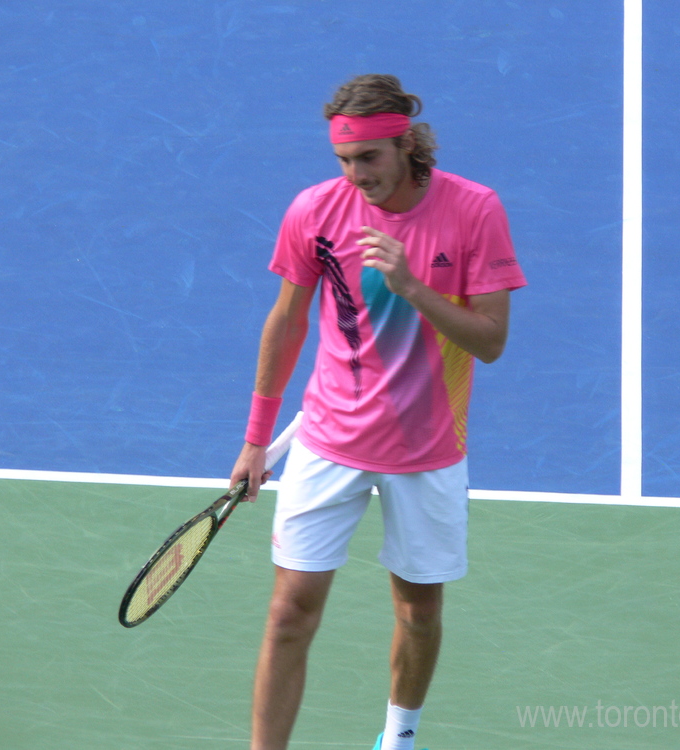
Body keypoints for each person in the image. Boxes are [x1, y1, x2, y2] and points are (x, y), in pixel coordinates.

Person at [230, 74, 526, 750]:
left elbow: (492, 342)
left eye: (369, 158)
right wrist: (254, 440)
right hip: (328, 440)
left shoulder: (474, 210)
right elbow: (287, 321)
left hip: (427, 450)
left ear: (405, 144)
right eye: (343, 160)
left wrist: (411, 286)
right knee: (288, 614)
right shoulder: (315, 210)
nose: (355, 175)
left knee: (418, 613)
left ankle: (399, 739)